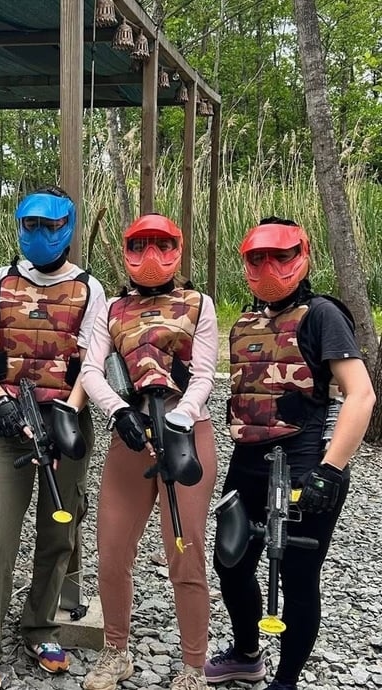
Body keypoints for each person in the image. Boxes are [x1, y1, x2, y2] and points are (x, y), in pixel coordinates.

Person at [204, 218, 375, 690]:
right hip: (248, 460)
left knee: (299, 577)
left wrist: (330, 470)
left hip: (302, 464)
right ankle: (245, 653)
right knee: (231, 562)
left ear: (302, 255)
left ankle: (286, 681)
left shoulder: (322, 315)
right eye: (257, 258)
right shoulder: (245, 320)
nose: (268, 267)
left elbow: (360, 395)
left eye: (280, 256)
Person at [0, 186, 107, 690]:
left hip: (64, 423)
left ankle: (40, 627)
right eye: (30, 226)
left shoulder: (90, 288)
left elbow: (92, 360)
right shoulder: (1, 281)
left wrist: (69, 411)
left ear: (66, 227)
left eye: (49, 226)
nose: (38, 235)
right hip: (8, 428)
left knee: (59, 531)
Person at [80, 213, 219, 690]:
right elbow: (92, 370)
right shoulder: (112, 307)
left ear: (177, 248)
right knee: (112, 548)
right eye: (141, 246)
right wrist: (119, 411)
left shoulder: (199, 303)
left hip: (185, 431)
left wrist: (184, 413)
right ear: (127, 251)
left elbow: (203, 374)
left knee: (185, 549)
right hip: (132, 433)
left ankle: (193, 666)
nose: (151, 257)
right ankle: (116, 651)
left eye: (162, 245)